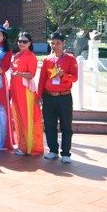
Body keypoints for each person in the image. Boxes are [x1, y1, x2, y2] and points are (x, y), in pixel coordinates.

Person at [39, 32, 78, 163]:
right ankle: (53, 150)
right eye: (52, 43)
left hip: (64, 97)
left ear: (63, 43)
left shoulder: (71, 59)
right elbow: (42, 79)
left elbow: (75, 77)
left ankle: (66, 153)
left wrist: (63, 75)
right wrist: (39, 95)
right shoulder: (47, 59)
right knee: (49, 125)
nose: (55, 46)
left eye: (58, 43)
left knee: (66, 125)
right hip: (48, 96)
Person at [10, 32, 42, 156]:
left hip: (25, 91)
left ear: (30, 43)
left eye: (24, 41)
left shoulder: (31, 56)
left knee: (26, 117)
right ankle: (21, 144)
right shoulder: (17, 55)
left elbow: (31, 74)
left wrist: (20, 74)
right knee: (18, 117)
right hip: (15, 90)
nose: (21, 43)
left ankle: (28, 147)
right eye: (20, 41)